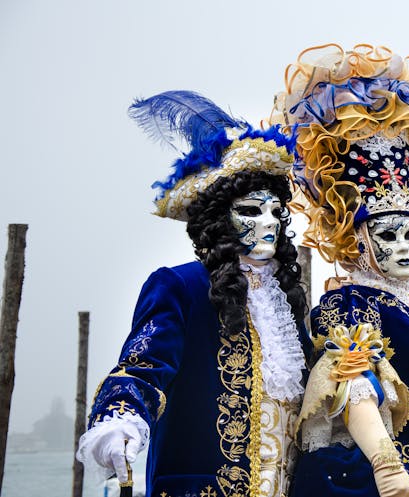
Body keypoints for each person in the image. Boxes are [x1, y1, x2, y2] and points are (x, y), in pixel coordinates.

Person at [271, 44, 409, 497]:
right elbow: (351, 384)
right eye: (388, 235)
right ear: (359, 239)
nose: (402, 247)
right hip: (408, 466)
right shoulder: (349, 301)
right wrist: (388, 469)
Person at [76, 91, 310, 497]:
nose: (268, 221)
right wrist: (121, 417)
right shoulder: (180, 286)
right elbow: (142, 367)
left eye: (276, 210)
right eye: (251, 210)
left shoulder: (288, 302)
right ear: (219, 218)